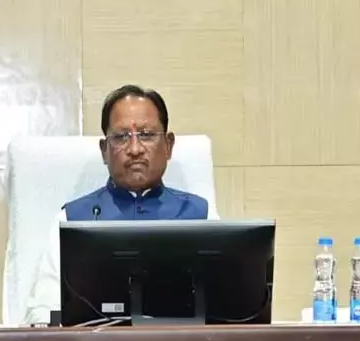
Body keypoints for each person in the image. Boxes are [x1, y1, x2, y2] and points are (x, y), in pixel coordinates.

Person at [23, 84, 217, 325]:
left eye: (146, 134)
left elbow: (227, 307)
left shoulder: (202, 216)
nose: (135, 149)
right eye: (122, 137)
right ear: (105, 150)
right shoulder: (71, 220)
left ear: (168, 145)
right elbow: (43, 312)